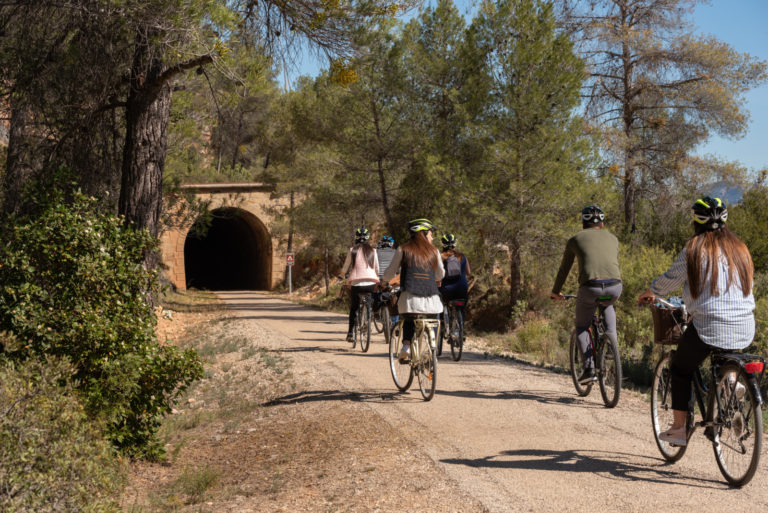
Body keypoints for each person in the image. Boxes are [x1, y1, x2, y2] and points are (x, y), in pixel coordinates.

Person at [638, 197, 754, 446]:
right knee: (725, 352)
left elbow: (670, 279)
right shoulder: (741, 249)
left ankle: (679, 429)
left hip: (710, 324)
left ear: (696, 221)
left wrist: (652, 291)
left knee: (680, 369)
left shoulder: (694, 248)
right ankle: (730, 382)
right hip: (744, 324)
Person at [551, 205, 622, 384]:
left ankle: (589, 369)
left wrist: (555, 291)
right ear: (603, 223)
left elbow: (564, 269)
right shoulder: (613, 238)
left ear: (583, 222)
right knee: (607, 304)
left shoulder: (575, 239)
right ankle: (611, 344)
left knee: (582, 326)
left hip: (590, 287)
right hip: (615, 287)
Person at [381, 218, 445, 362]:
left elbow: (391, 271)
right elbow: (441, 274)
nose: (432, 237)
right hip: (432, 301)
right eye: (430, 233)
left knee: (409, 317)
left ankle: (406, 346)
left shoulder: (403, 249)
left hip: (409, 300)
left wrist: (384, 281)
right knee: (433, 318)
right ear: (423, 233)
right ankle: (431, 347)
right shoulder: (435, 251)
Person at [340, 227, 380, 342]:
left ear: (356, 238)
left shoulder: (352, 250)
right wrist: (377, 279)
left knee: (354, 307)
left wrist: (341, 276)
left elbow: (345, 267)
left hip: (356, 284)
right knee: (373, 298)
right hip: (372, 283)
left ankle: (350, 333)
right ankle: (373, 313)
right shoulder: (373, 251)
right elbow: (377, 268)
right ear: (368, 239)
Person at [439, 233, 472, 339]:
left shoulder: (440, 257)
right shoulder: (462, 256)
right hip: (462, 288)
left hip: (446, 290)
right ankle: (462, 328)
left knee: (440, 304)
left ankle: (443, 326)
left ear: (442, 244)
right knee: (462, 306)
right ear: (455, 244)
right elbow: (468, 272)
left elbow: (436, 273)